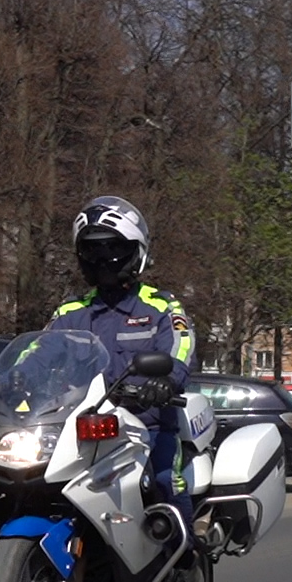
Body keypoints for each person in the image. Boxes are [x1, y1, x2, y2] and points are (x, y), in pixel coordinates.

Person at [47, 196, 199, 546]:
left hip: (147, 425)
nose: (102, 260)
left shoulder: (161, 304)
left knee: (165, 480)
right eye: (92, 251)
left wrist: (166, 380)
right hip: (81, 430)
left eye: (113, 249)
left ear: (136, 251)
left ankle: (185, 561)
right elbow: (38, 353)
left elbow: (181, 347)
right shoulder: (70, 311)